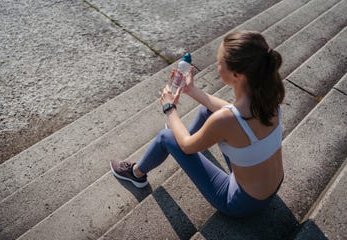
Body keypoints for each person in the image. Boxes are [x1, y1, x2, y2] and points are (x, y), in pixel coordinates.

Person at [110, 30, 285, 218]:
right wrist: (192, 90)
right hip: (271, 187)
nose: (217, 67)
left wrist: (170, 109)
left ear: (237, 75)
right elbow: (229, 111)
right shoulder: (269, 99)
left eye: (220, 63)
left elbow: (186, 146)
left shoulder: (225, 121)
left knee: (166, 137)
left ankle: (136, 175)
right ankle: (190, 138)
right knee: (206, 111)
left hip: (239, 203)